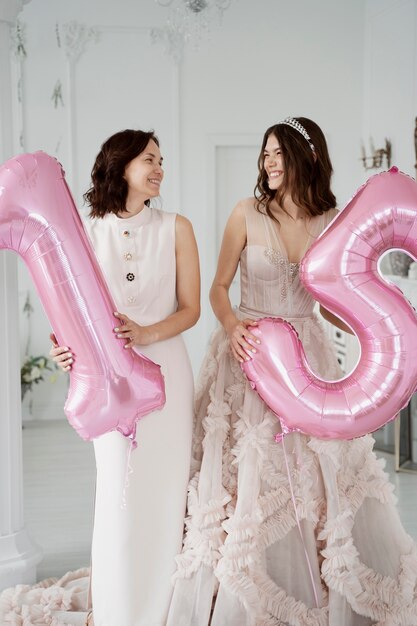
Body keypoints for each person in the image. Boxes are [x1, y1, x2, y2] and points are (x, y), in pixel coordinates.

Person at [166, 117, 417, 626]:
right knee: (251, 477)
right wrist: (233, 325)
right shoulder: (245, 213)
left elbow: (332, 298)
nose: (270, 163)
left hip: (310, 356)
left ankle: (326, 587)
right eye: (265, 154)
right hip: (249, 352)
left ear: (306, 157)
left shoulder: (330, 219)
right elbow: (217, 287)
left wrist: (378, 326)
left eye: (279, 153)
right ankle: (239, 592)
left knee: (319, 476)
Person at [6, 129, 200, 626]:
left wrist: (145, 332)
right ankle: (116, 608)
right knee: (118, 494)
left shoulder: (178, 227)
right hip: (113, 386)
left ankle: (160, 608)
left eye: (162, 160)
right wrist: (62, 348)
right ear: (121, 166)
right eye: (149, 160)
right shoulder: (88, 232)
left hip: (169, 378)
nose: (159, 168)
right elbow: (68, 308)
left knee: (167, 493)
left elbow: (192, 310)